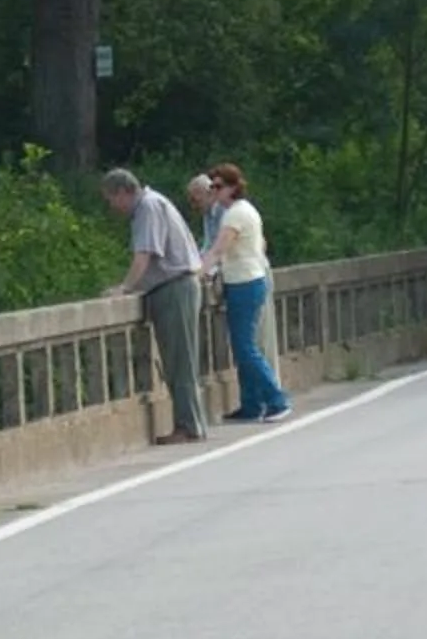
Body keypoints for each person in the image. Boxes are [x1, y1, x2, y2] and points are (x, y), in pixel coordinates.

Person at [101, 166, 208, 443]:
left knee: (179, 360)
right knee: (179, 359)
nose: (112, 207)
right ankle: (190, 423)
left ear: (124, 191)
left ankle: (189, 425)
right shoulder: (154, 203)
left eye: (111, 199)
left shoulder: (148, 207)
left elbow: (145, 254)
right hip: (176, 287)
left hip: (174, 288)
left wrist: (125, 288)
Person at [204, 162, 291, 422]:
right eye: (212, 186)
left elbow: (219, 250)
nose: (215, 191)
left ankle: (277, 399)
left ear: (232, 187)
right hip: (246, 280)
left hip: (245, 282)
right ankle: (251, 405)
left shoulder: (235, 215)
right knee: (243, 345)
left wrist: (198, 272)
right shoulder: (244, 211)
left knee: (244, 346)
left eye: (218, 186)